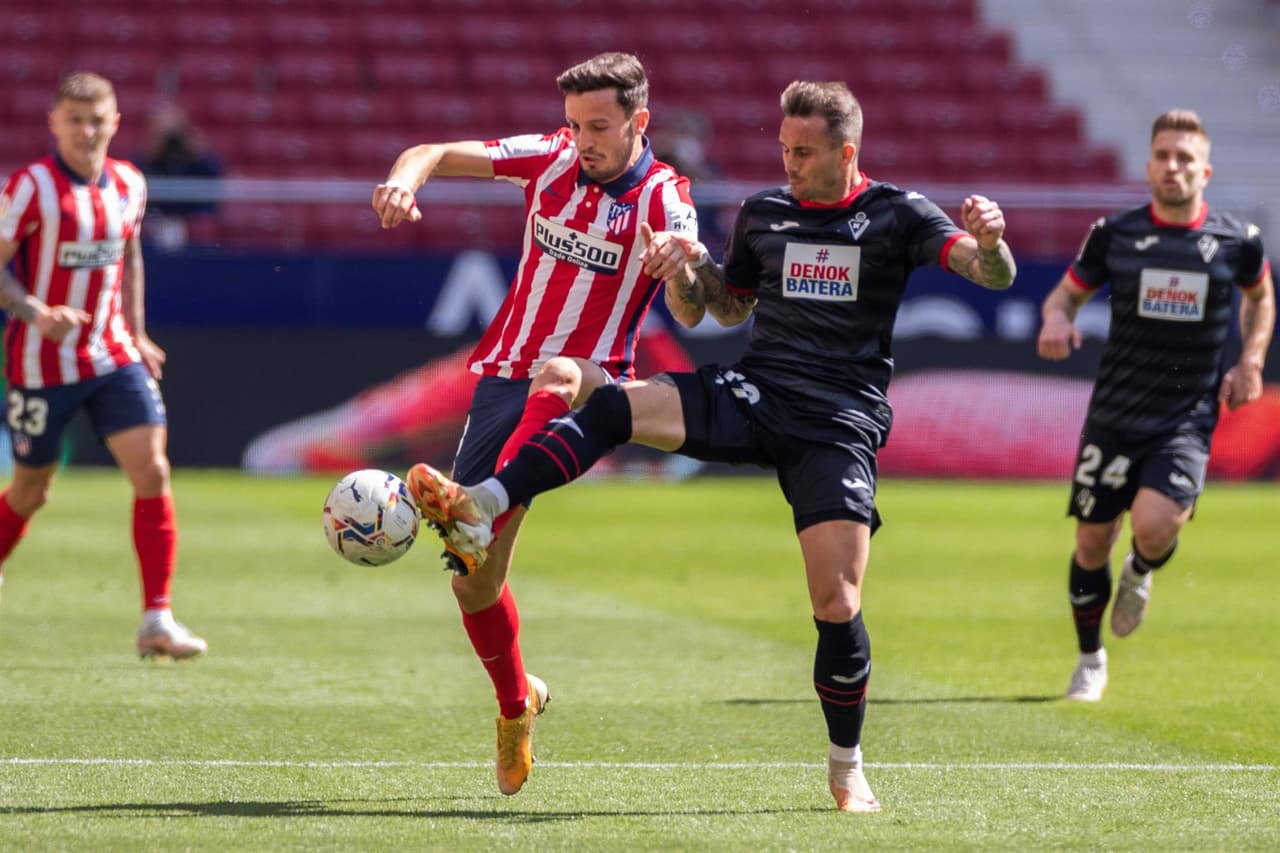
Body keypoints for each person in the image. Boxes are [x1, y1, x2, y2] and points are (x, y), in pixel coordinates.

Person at [407, 80, 1016, 811]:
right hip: (757, 395)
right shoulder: (766, 212)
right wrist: (687, 268)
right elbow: (721, 306)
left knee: (836, 598)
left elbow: (985, 271)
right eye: (783, 147)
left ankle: (846, 763)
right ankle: (487, 498)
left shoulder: (897, 213)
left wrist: (992, 244)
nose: (788, 162)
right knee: (610, 406)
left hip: (837, 423)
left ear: (845, 151)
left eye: (804, 151)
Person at [369, 52, 701, 796]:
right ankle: (518, 703)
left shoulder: (663, 194)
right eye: (575, 123)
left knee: (556, 375)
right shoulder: (549, 158)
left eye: (600, 126)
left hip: (590, 380)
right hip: (500, 379)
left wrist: (681, 262)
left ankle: (479, 505)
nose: (582, 139)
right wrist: (405, 179)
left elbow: (695, 293)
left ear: (639, 122)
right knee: (473, 585)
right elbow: (432, 151)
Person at [1037, 109, 1274, 703]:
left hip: (1186, 417)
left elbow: (1261, 296)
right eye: (1164, 155)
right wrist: (1056, 321)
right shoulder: (1114, 235)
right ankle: (1091, 660)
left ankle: (1141, 570)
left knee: (1155, 525)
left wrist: (1251, 361)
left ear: (1206, 171)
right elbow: (1065, 296)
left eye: (1185, 158)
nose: (1173, 166)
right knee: (1092, 543)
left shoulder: (1235, 241)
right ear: (1148, 165)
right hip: (1114, 414)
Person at [0, 72, 207, 659]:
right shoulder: (31, 188)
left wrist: (137, 332)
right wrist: (34, 310)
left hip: (112, 354)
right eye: (75, 119)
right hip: (41, 363)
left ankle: (157, 620)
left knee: (153, 471)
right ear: (55, 123)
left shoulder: (130, 184)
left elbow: (131, 254)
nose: (87, 131)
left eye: (97, 120)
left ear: (115, 123)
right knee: (31, 491)